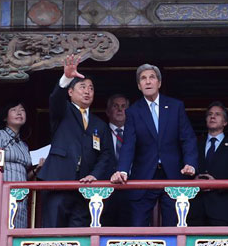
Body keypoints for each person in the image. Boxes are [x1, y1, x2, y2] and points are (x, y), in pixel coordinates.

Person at [111, 64, 198, 227]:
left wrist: (190, 163)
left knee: (174, 227)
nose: (148, 82)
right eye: (143, 79)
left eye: (152, 77)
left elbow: (187, 138)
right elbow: (129, 144)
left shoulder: (175, 106)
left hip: (172, 173)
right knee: (137, 227)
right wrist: (122, 170)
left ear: (159, 83)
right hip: (143, 175)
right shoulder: (133, 111)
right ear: (139, 85)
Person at [38, 54, 113, 228]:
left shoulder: (99, 125)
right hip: (59, 181)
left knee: (79, 236)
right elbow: (55, 99)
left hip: (85, 188)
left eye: (91, 88)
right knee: (53, 233)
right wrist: (66, 78)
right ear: (70, 92)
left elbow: (106, 155)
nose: (87, 91)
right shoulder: (63, 112)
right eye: (82, 87)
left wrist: (95, 175)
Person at [0, 100, 41, 228]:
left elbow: (23, 175)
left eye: (22, 110)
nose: (19, 113)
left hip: (21, 196)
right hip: (2, 194)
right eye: (14, 110)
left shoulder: (23, 145)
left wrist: (36, 169)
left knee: (17, 231)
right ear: (5, 117)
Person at [189, 102, 228, 226]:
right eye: (210, 114)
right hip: (196, 210)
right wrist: (194, 179)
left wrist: (217, 184)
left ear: (225, 122)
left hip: (222, 210)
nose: (212, 117)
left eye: (217, 114)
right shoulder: (195, 145)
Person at [102, 94, 130, 226]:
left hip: (131, 189)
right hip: (105, 191)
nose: (120, 110)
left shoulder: (135, 133)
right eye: (115, 106)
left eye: (123, 106)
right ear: (108, 111)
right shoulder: (99, 131)